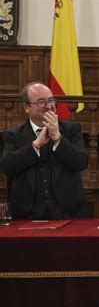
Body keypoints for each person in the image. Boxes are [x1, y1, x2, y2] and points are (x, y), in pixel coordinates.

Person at [0, 82, 89, 219]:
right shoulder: (13, 135)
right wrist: (36, 144)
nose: (49, 106)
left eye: (51, 100)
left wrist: (58, 139)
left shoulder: (71, 129)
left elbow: (81, 162)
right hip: (27, 214)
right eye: (41, 102)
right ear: (26, 107)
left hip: (68, 212)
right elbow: (7, 166)